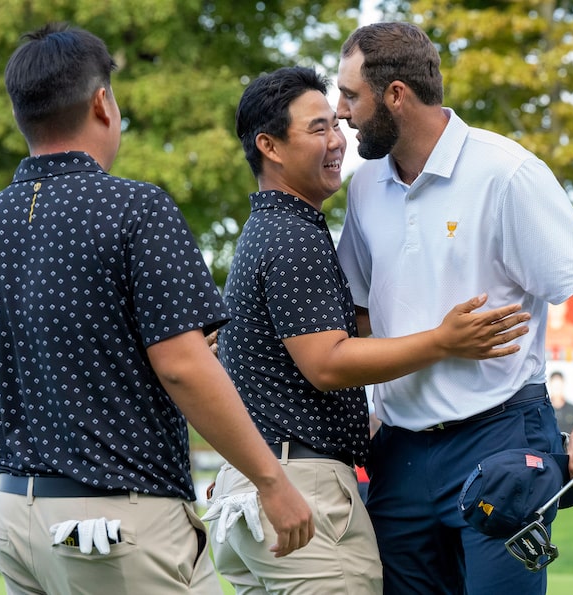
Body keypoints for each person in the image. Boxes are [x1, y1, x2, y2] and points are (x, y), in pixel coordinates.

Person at [0, 22, 313, 595]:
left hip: (16, 521)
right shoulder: (135, 208)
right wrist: (272, 482)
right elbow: (184, 366)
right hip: (114, 525)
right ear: (102, 103)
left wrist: (83, 386)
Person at [208, 65, 530, 594]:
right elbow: (328, 363)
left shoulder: (267, 229)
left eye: (336, 124)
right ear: (269, 146)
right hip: (301, 492)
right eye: (317, 129)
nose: (338, 141)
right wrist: (442, 342)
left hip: (257, 489)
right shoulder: (293, 237)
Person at [335, 22, 573, 594]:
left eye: (351, 95)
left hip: (500, 438)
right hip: (399, 451)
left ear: (395, 94)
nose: (341, 112)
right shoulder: (365, 185)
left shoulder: (506, 173)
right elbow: (361, 316)